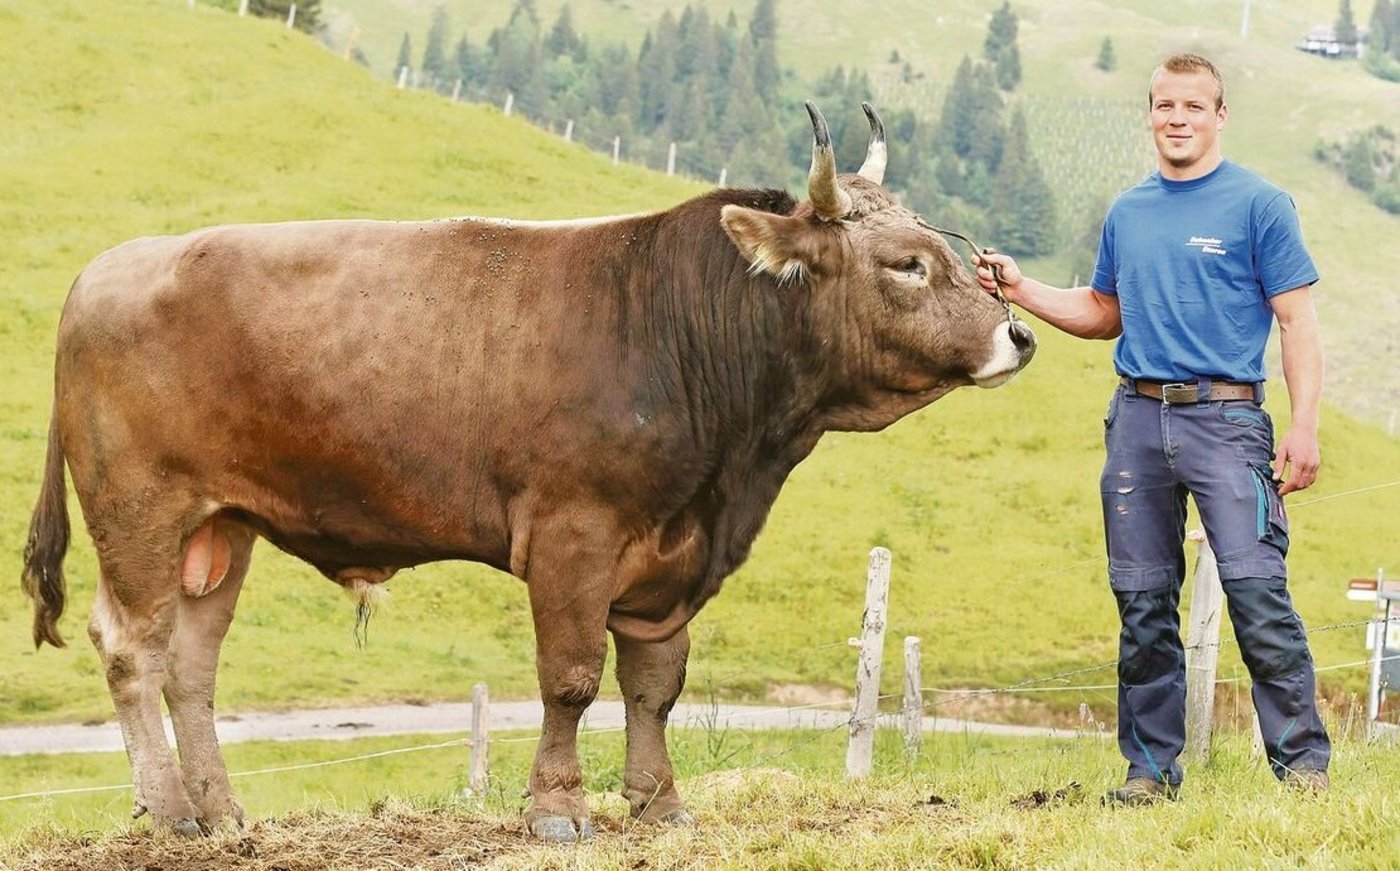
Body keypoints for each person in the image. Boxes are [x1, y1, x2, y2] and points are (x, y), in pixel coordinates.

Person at [974, 53, 1331, 804]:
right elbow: (1104, 312)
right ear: (1150, 115)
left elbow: (1298, 322)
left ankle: (1303, 770)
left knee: (1257, 595)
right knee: (1142, 605)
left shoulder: (1261, 205)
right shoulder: (1128, 211)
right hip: (1136, 421)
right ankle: (1149, 772)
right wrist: (1022, 287)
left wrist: (1304, 427)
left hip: (1229, 420)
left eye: (1194, 106)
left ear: (1220, 116)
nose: (1177, 118)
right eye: (1165, 105)